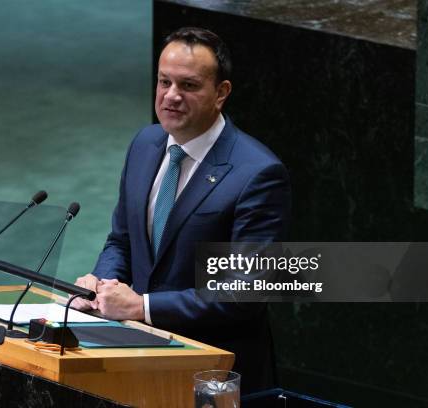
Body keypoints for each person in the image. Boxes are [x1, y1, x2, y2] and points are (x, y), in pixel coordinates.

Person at [73, 27, 291, 393]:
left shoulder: (258, 174)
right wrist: (101, 285)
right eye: (163, 82)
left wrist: (142, 306)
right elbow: (122, 241)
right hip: (134, 358)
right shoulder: (145, 143)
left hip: (214, 373)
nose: (171, 96)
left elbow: (244, 292)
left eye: (188, 86)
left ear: (221, 93)